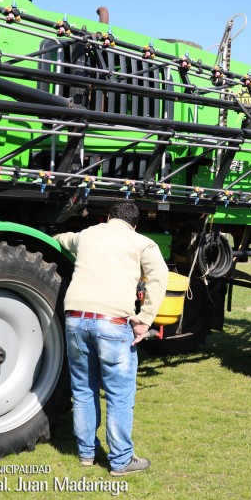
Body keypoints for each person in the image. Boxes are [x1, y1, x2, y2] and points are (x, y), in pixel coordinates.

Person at [54, 201, 168, 476]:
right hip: (113, 323)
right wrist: (145, 319)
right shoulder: (143, 243)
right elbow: (159, 275)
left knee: (83, 389)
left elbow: (58, 240)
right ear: (135, 224)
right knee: (118, 395)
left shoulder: (87, 234)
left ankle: (86, 453)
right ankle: (120, 461)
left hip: (75, 319)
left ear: (107, 217)